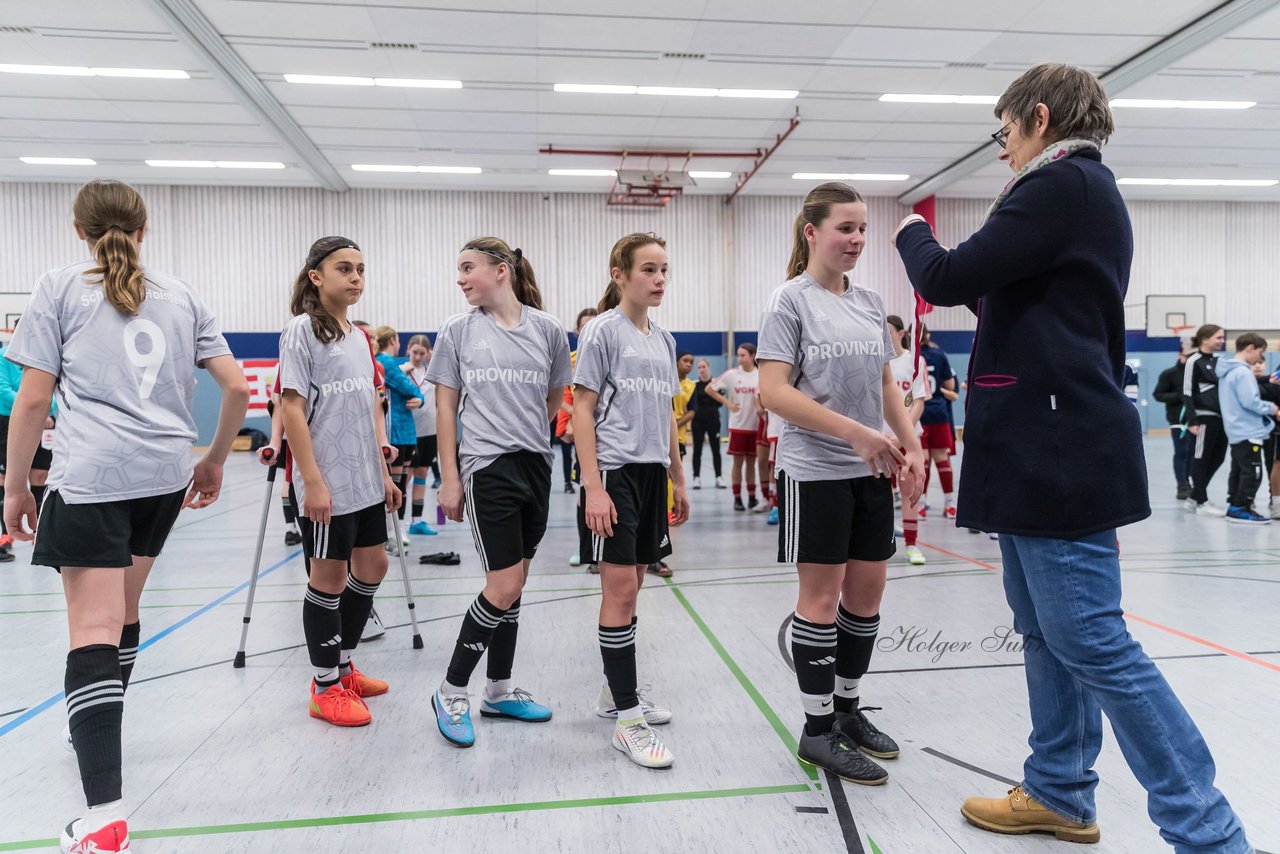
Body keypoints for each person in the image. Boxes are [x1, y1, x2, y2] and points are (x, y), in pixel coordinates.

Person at [893, 62, 1251, 852]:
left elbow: (949, 276)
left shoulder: (1061, 187)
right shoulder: (1070, 200)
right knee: (1043, 632)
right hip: (1033, 446)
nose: (1003, 150)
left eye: (1005, 132)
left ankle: (1208, 830)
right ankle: (1059, 790)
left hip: (1058, 451)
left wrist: (907, 230)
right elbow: (1009, 297)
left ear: (1040, 119)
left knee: (1091, 639)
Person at [3, 179, 249, 853]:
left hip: (92, 476)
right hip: (163, 475)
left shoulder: (58, 286)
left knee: (92, 628)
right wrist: (215, 459)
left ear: (78, 230)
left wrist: (16, 487)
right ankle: (97, 717)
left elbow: (30, 404)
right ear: (145, 230)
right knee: (125, 611)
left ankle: (103, 817)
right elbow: (235, 386)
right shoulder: (182, 294)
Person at [758, 181, 925, 786]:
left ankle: (848, 711)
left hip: (871, 473)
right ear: (812, 233)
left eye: (861, 230)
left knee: (866, 599)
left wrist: (910, 442)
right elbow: (774, 391)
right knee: (822, 603)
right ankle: (817, 729)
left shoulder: (870, 300)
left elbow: (886, 386)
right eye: (844, 228)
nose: (856, 239)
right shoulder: (789, 302)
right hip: (817, 473)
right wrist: (856, 434)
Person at [428, 238, 572, 748]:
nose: (461, 278)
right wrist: (451, 476)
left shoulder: (549, 330)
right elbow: (446, 408)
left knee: (515, 585)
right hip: (487, 468)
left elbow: (554, 397)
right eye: (459, 269)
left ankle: (500, 690)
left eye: (468, 268)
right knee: (503, 584)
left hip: (537, 465)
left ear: (501, 271)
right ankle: (450, 690)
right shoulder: (458, 331)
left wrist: (533, 436)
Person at [573, 232, 689, 769]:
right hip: (615, 474)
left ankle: (611, 692)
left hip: (650, 475)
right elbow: (582, 412)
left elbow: (666, 411)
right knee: (619, 589)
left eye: (664, 269)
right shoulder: (601, 332)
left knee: (637, 581)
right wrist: (593, 486)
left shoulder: (663, 339)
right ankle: (627, 721)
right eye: (648, 269)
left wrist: (678, 476)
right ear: (620, 274)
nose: (659, 278)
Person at [279, 236, 401, 729]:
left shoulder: (358, 335)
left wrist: (384, 472)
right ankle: (324, 685)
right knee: (327, 579)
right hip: (325, 479)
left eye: (361, 269)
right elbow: (291, 408)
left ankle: (345, 665)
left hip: (364, 478)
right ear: (316, 277)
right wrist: (311, 481)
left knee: (374, 565)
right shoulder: (301, 332)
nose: (355, 278)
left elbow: (369, 406)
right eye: (344, 269)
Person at [0, 324, 59, 562]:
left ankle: (41, 533)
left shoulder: (46, 356)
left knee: (40, 477)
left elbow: (52, 390)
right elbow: (4, 391)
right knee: (5, 479)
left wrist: (49, 411)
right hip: (8, 421)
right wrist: (35, 411)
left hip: (45, 422)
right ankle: (5, 537)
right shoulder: (5, 357)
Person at [373, 325, 425, 549]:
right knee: (397, 484)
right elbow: (411, 389)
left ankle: (397, 527)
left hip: (402, 431)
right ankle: (393, 530)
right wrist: (419, 396)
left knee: (401, 481)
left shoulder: (385, 363)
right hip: (396, 431)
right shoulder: (386, 363)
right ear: (393, 340)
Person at [1216, 333, 1276, 525]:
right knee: (1253, 472)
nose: (1259, 358)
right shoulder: (1242, 372)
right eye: (1260, 352)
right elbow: (1250, 401)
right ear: (1250, 348)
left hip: (1236, 430)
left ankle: (1234, 504)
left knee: (1239, 470)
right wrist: (1272, 408)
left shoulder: (1228, 371)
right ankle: (1241, 508)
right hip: (1248, 431)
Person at [886, 315, 928, 565]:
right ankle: (881, 544)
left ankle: (912, 545)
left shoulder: (914, 361)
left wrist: (903, 434)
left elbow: (919, 400)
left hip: (908, 438)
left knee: (909, 491)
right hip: (880, 438)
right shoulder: (876, 360)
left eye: (888, 330)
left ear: (901, 334)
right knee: (880, 493)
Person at [560, 307, 599, 572]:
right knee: (585, 491)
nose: (588, 331)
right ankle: (585, 548)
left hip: (609, 435)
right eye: (583, 326)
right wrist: (577, 419)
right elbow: (561, 398)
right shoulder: (570, 361)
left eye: (593, 325)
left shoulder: (608, 355)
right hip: (585, 435)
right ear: (576, 330)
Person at [1183, 324, 1229, 515]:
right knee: (1201, 459)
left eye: (1222, 337)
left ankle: (1194, 496)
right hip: (1204, 418)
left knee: (1218, 458)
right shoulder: (1194, 361)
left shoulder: (1221, 361)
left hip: (1222, 419)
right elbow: (1187, 392)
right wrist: (1193, 420)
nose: (1222, 341)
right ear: (1205, 339)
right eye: (1218, 337)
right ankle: (1202, 502)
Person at [917, 323, 957, 520]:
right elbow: (950, 384)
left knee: (922, 460)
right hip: (938, 412)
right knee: (942, 458)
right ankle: (950, 505)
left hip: (919, 414)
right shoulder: (939, 355)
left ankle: (921, 505)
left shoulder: (912, 358)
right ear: (929, 335)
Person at [401, 334, 440, 535]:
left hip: (429, 432)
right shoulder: (401, 372)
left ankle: (417, 520)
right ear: (408, 350)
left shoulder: (431, 373)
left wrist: (432, 357)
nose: (417, 356)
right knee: (404, 478)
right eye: (414, 352)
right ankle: (397, 523)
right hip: (409, 433)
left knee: (422, 474)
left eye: (422, 353)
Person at [721, 343, 763, 510]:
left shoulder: (760, 375)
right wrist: (728, 403)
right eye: (738, 355)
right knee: (738, 463)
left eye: (743, 355)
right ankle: (737, 498)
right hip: (738, 425)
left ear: (752, 356)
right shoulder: (732, 374)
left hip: (756, 426)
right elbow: (711, 388)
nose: (739, 358)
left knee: (752, 463)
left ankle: (752, 497)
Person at [1152, 344, 1195, 501]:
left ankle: (1190, 482)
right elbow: (1158, 394)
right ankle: (1182, 484)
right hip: (1178, 420)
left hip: (1197, 420)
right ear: (1180, 355)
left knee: (1193, 453)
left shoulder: (1199, 374)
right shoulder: (1169, 374)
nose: (1190, 358)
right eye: (1187, 355)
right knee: (1182, 452)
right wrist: (1179, 396)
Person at [689, 358, 727, 489]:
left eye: (703, 366)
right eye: (699, 367)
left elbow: (721, 402)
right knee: (697, 449)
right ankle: (696, 477)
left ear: (709, 368)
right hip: (698, 422)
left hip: (713, 421)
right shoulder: (694, 385)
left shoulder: (717, 384)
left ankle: (719, 477)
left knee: (716, 450)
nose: (701, 369)